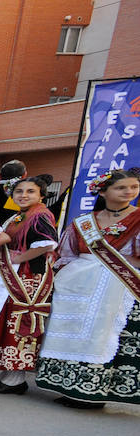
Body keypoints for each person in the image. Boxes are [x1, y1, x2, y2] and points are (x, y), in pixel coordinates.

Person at [37, 168, 140, 407]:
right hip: (79, 285)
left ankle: (94, 392)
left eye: (133, 187)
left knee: (103, 335)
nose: (129, 192)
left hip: (117, 285)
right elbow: (67, 253)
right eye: (121, 187)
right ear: (103, 192)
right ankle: (66, 385)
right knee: (71, 331)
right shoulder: (83, 222)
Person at [0, 175, 58, 395]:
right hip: (15, 276)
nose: (24, 195)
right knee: (8, 321)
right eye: (19, 191)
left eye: (30, 191)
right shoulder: (20, 216)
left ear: (41, 195)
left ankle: (16, 378)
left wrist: (20, 258)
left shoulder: (40, 215)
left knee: (20, 324)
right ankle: (8, 374)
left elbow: (47, 243)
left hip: (28, 278)